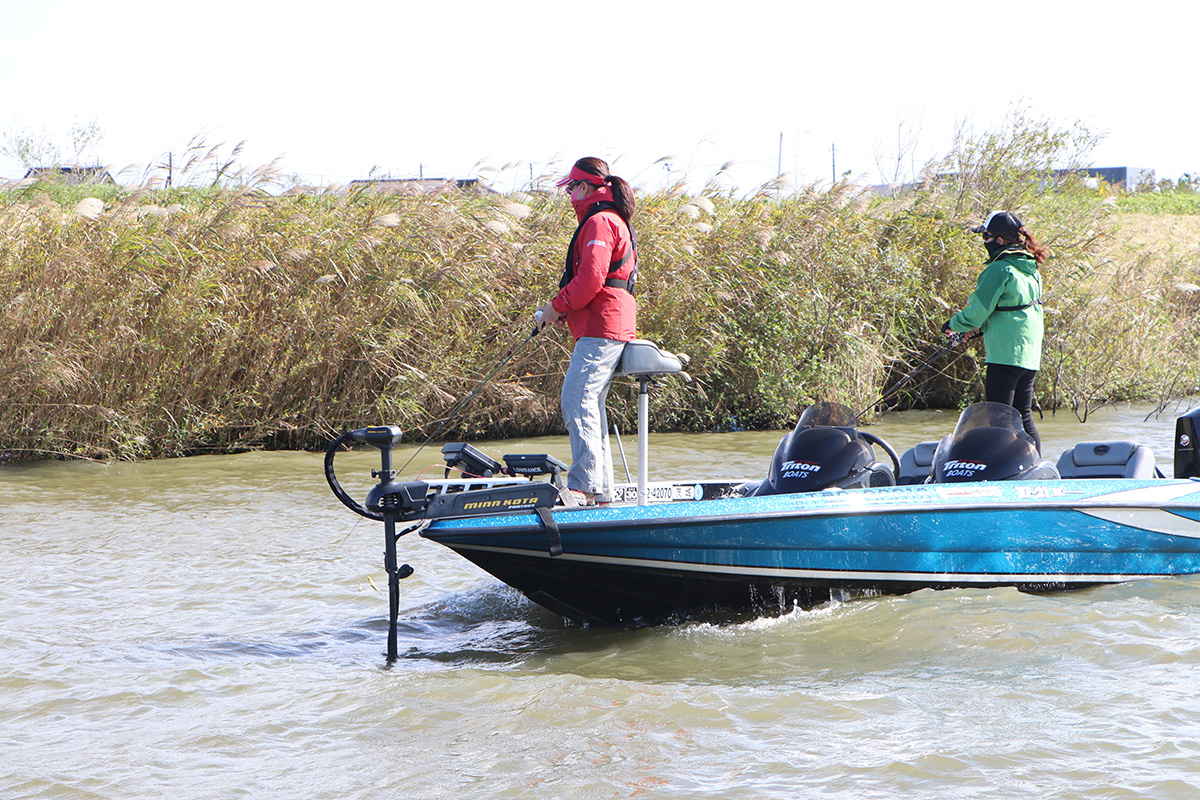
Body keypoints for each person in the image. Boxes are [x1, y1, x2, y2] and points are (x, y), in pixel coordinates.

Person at [536, 157, 638, 505]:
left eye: (570, 188)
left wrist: (556, 306)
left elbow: (591, 279)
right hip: (605, 323)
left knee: (576, 398)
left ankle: (582, 488)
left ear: (584, 187)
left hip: (602, 325)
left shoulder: (599, 221)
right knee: (589, 402)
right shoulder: (607, 219)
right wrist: (564, 309)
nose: (568, 195)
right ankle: (601, 493)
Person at [944, 210, 1048, 453]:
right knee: (1023, 417)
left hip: (1004, 353)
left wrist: (953, 325)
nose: (985, 242)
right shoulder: (1030, 268)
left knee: (999, 419)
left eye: (987, 237)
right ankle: (1034, 462)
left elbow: (978, 310)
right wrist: (980, 329)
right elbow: (1013, 310)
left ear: (1000, 240)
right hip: (1028, 355)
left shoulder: (999, 269)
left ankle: (1006, 468)